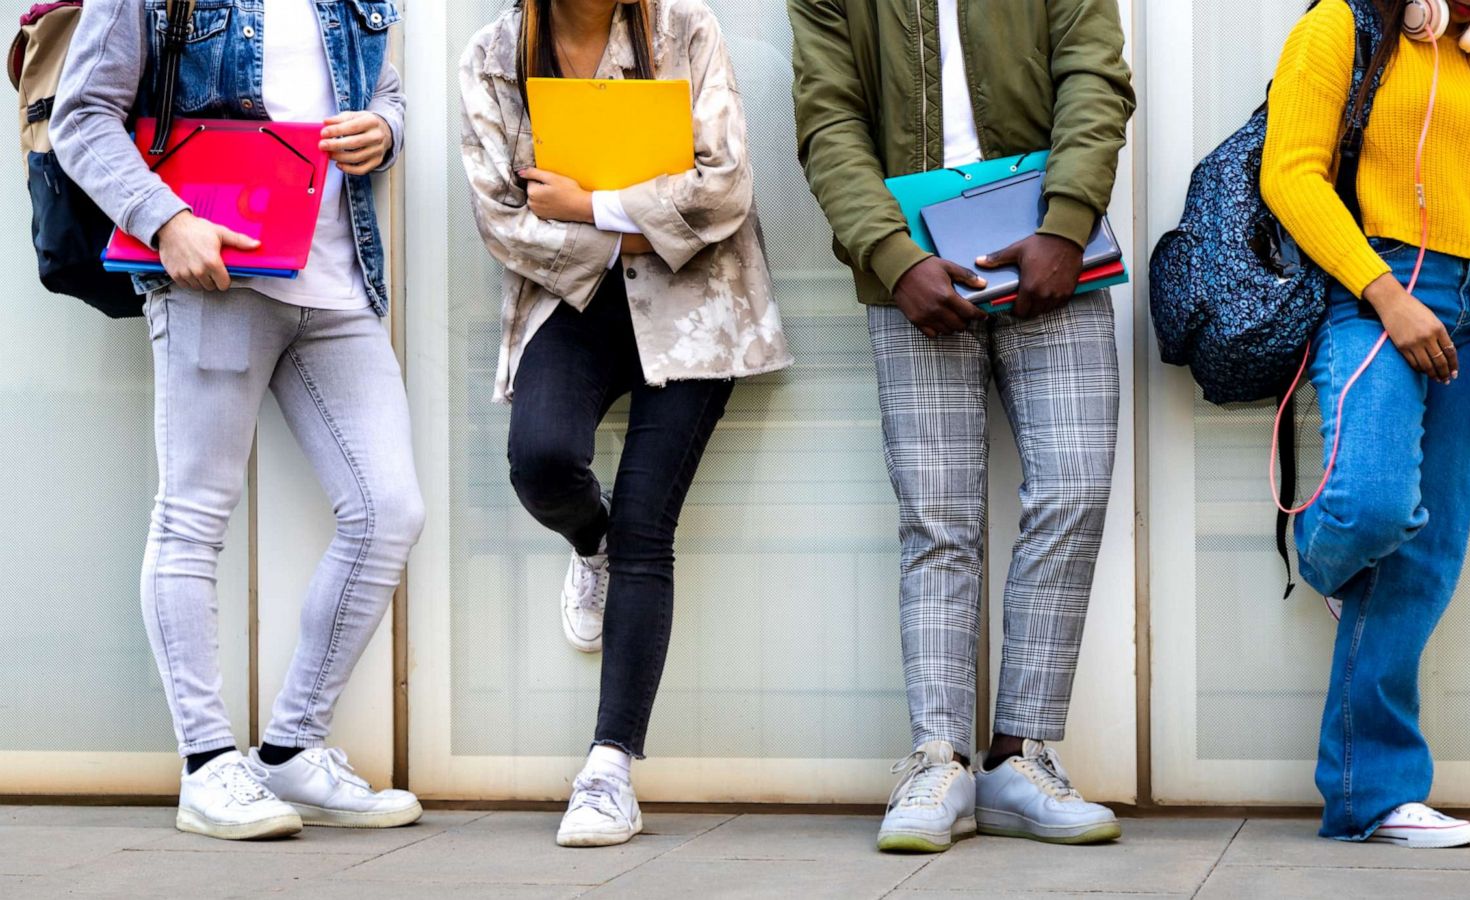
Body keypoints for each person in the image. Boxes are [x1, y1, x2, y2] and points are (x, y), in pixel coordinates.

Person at [52, 0, 424, 840]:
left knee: (387, 512)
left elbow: (384, 90)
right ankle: (206, 767)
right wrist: (165, 219)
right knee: (193, 516)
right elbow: (81, 116)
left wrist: (385, 131)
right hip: (212, 281)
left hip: (335, 285)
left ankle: (290, 749)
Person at [789, 0, 1135, 853]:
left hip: (1056, 251)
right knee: (937, 518)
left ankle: (1021, 758)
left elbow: (1095, 78)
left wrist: (1066, 221)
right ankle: (936, 762)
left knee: (1076, 487)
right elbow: (827, 118)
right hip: (910, 268)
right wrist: (891, 255)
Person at [459, 0, 792, 848]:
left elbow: (726, 187)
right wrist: (628, 232)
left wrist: (596, 205)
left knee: (649, 525)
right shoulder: (496, 53)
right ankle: (588, 543)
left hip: (696, 308)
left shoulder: (685, 28)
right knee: (539, 461)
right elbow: (501, 216)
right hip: (568, 304)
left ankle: (609, 771)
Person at [1261, 0, 1470, 847]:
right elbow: (1291, 175)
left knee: (1425, 560)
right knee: (1374, 509)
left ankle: (1372, 795)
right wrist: (1386, 297)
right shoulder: (1339, 28)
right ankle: (1328, 565)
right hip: (1374, 289)